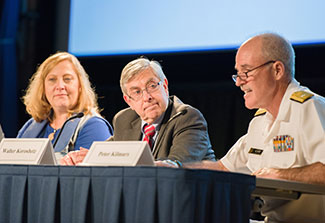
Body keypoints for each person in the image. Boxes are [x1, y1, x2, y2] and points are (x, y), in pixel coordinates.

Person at [178, 33, 325, 222]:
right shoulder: (260, 121)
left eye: (246, 72)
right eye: (237, 74)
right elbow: (223, 168)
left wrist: (281, 175)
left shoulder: (310, 108)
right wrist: (172, 168)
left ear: (277, 70)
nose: (239, 82)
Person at [60, 57, 215, 165]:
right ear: (129, 101)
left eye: (152, 86)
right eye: (137, 92)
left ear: (165, 86)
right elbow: (107, 152)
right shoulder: (125, 120)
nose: (147, 97)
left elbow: (175, 166)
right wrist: (88, 157)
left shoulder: (187, 118)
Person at [17, 52, 113, 161]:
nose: (60, 86)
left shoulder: (94, 126)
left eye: (67, 79)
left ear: (80, 86)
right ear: (43, 88)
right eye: (52, 79)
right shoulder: (30, 126)